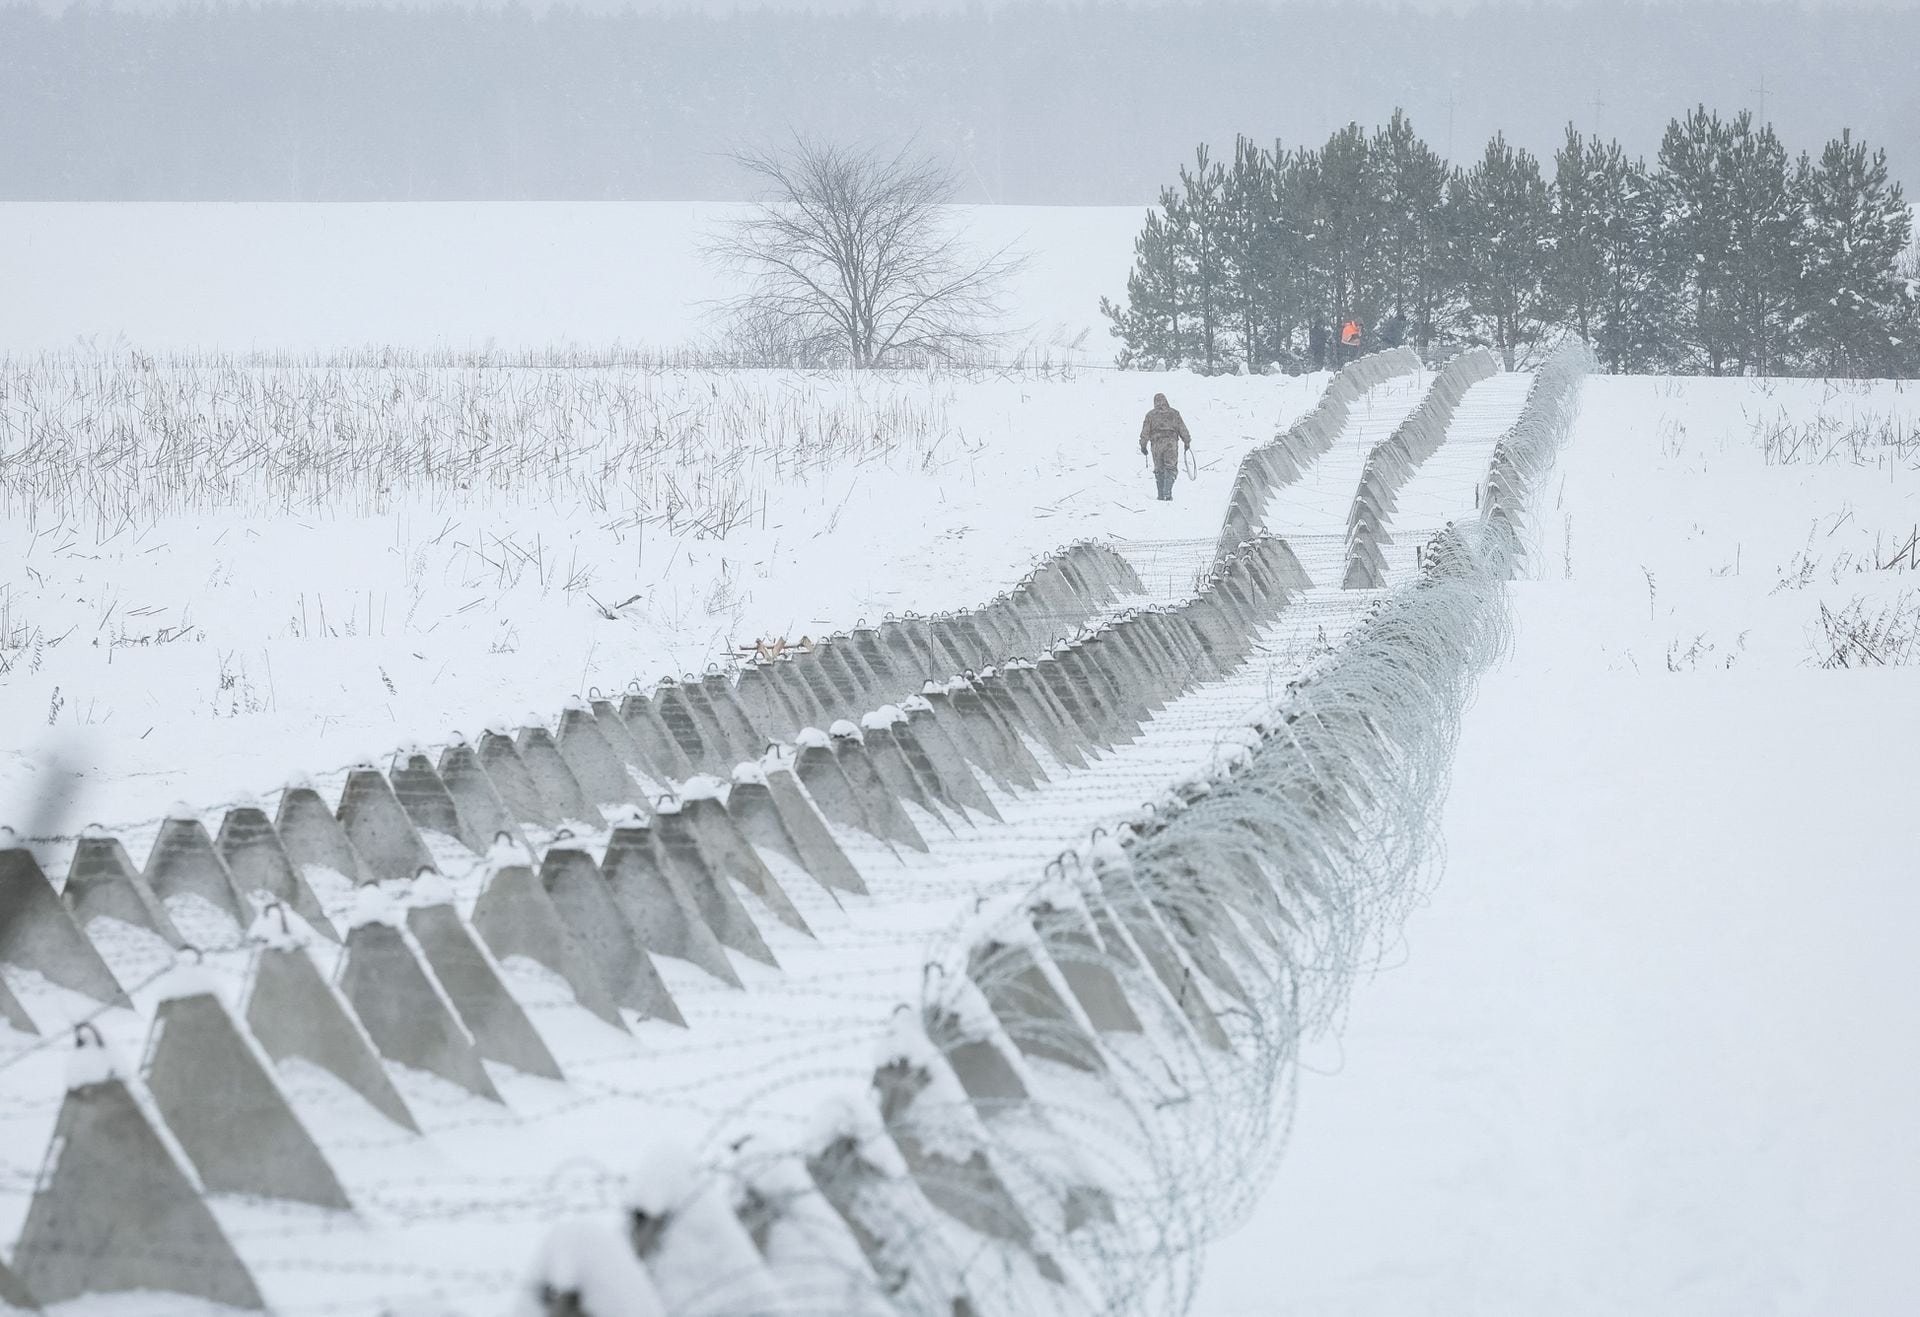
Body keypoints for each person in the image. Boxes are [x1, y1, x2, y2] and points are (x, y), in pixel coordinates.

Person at [1138, 392, 1191, 502]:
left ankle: (1161, 494)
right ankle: (1167, 492)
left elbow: (1145, 432)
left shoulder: (1150, 415)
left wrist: (1143, 446)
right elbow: (1182, 429)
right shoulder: (1174, 413)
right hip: (1171, 443)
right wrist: (1187, 441)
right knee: (1170, 468)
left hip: (1156, 444)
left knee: (1159, 469)